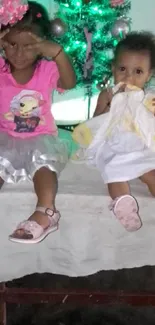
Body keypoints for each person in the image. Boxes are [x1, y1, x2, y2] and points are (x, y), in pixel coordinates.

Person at [0, 1, 76, 244]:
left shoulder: (47, 69)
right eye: (12, 44)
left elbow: (70, 83)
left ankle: (46, 212)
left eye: (29, 46)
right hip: (5, 135)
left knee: (43, 166)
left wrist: (57, 52)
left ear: (42, 46)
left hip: (40, 136)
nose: (19, 53)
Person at [72, 32, 155, 232]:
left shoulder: (149, 97)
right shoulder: (107, 94)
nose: (129, 77)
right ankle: (122, 204)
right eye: (123, 69)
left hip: (139, 143)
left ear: (149, 75)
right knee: (113, 170)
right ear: (113, 69)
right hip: (113, 143)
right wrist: (107, 107)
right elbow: (96, 121)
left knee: (151, 172)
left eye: (138, 71)